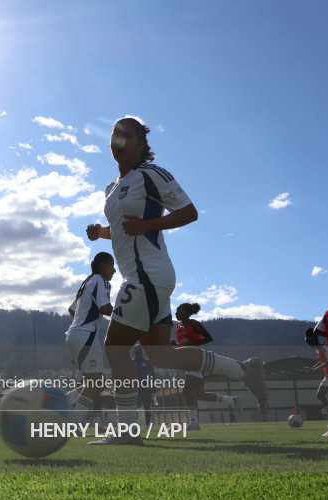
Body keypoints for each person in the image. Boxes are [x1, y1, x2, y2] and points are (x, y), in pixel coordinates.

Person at [86, 116, 267, 445]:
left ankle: (127, 432)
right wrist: (101, 233)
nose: (118, 141)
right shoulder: (111, 188)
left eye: (126, 135)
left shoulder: (153, 175)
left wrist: (146, 225)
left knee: (115, 349)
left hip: (147, 277)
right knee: (162, 356)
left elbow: (189, 212)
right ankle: (244, 370)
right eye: (114, 135)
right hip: (146, 280)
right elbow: (124, 228)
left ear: (141, 144)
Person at [64, 252, 116, 426]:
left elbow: (73, 310)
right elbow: (105, 308)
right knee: (95, 384)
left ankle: (61, 402)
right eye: (111, 265)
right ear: (102, 265)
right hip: (86, 335)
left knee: (96, 383)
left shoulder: (87, 282)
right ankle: (72, 423)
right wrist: (127, 314)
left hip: (77, 335)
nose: (114, 270)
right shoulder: (101, 280)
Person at [173, 303, 243, 430]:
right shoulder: (178, 327)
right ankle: (233, 400)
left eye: (178, 310)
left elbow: (208, 338)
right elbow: (185, 344)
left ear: (186, 312)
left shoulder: (193, 323)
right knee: (200, 395)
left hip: (197, 359)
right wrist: (176, 344)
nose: (176, 313)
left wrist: (191, 343)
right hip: (189, 361)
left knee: (187, 390)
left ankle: (194, 423)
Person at [305, 325, 328, 428]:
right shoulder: (318, 349)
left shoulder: (323, 348)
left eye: (309, 342)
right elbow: (321, 361)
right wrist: (314, 366)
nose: (309, 345)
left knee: (321, 395)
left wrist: (318, 368)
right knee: (320, 395)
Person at [132, 344, 156, 426]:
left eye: (140, 352)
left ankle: (148, 425)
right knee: (134, 407)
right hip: (135, 388)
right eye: (137, 352)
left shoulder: (147, 362)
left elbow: (152, 374)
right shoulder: (132, 362)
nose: (139, 354)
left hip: (146, 387)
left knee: (147, 406)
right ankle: (133, 424)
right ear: (135, 353)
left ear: (141, 352)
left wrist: (153, 385)